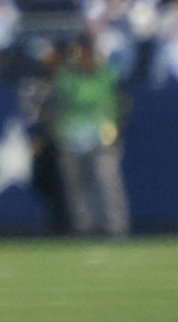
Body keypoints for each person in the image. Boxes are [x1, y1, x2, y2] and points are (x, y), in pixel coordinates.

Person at [47, 36, 129, 238]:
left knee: (107, 182)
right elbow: (61, 104)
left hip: (102, 136)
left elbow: (119, 99)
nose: (85, 57)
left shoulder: (107, 74)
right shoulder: (66, 77)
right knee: (77, 185)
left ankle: (117, 228)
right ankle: (85, 227)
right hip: (72, 136)